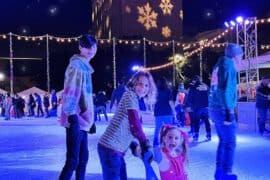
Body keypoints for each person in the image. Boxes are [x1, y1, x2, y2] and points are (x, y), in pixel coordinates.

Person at [97, 70, 157, 180]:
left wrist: (134, 146)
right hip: (110, 148)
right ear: (133, 83)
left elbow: (126, 127)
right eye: (140, 84)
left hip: (115, 149)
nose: (143, 88)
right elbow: (134, 125)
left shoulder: (133, 98)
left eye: (146, 85)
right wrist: (145, 144)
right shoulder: (130, 95)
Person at [59, 34, 97, 180]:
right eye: (87, 47)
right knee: (73, 160)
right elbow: (70, 90)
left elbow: (85, 95)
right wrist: (71, 114)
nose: (91, 50)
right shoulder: (76, 66)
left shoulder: (85, 67)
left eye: (93, 46)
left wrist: (90, 120)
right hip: (75, 118)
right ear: (80, 47)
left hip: (83, 120)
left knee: (83, 159)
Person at [209, 43, 243, 180]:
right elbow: (225, 90)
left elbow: (217, 89)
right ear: (235, 56)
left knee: (223, 141)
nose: (241, 58)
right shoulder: (228, 66)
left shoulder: (219, 65)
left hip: (215, 108)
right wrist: (229, 111)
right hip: (223, 109)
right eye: (241, 55)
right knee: (230, 142)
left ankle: (220, 172)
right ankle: (226, 172)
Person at [153, 77, 176, 147]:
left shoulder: (156, 91)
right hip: (167, 112)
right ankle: (168, 142)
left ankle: (155, 142)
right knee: (169, 128)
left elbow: (153, 101)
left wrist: (152, 109)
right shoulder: (168, 90)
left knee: (157, 128)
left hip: (158, 112)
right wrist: (174, 111)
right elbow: (170, 102)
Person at [188, 75, 211, 141]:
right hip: (206, 106)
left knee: (196, 121)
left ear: (194, 80)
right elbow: (209, 94)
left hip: (197, 107)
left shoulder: (193, 87)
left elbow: (189, 98)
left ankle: (196, 135)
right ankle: (209, 134)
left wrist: (191, 105)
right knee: (206, 120)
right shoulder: (206, 86)